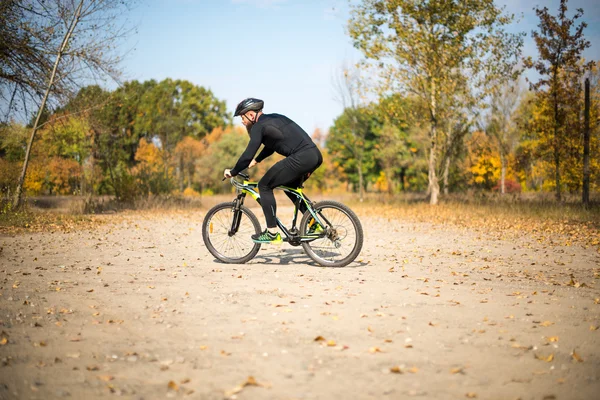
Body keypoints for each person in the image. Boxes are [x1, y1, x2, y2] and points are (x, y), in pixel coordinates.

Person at [224, 98, 323, 244]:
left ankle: (272, 232)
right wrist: (257, 160)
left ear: (251, 115)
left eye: (242, 117)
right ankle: (314, 223)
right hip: (314, 156)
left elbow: (246, 155)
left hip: (301, 157)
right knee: (290, 188)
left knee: (264, 185)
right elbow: (272, 145)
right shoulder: (274, 119)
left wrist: (233, 171)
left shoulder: (258, 127)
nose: (242, 122)